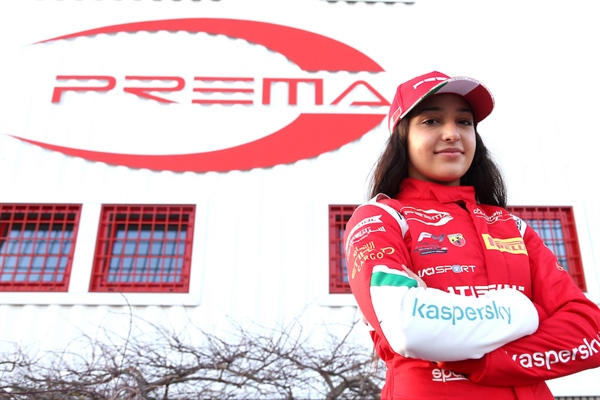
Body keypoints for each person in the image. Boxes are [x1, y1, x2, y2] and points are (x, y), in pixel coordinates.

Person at [343, 71, 600, 399]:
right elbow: (407, 325)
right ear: (402, 138)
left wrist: (486, 360)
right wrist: (524, 312)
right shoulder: (381, 218)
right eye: (432, 121)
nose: (452, 133)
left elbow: (589, 329)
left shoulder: (511, 227)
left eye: (464, 122)